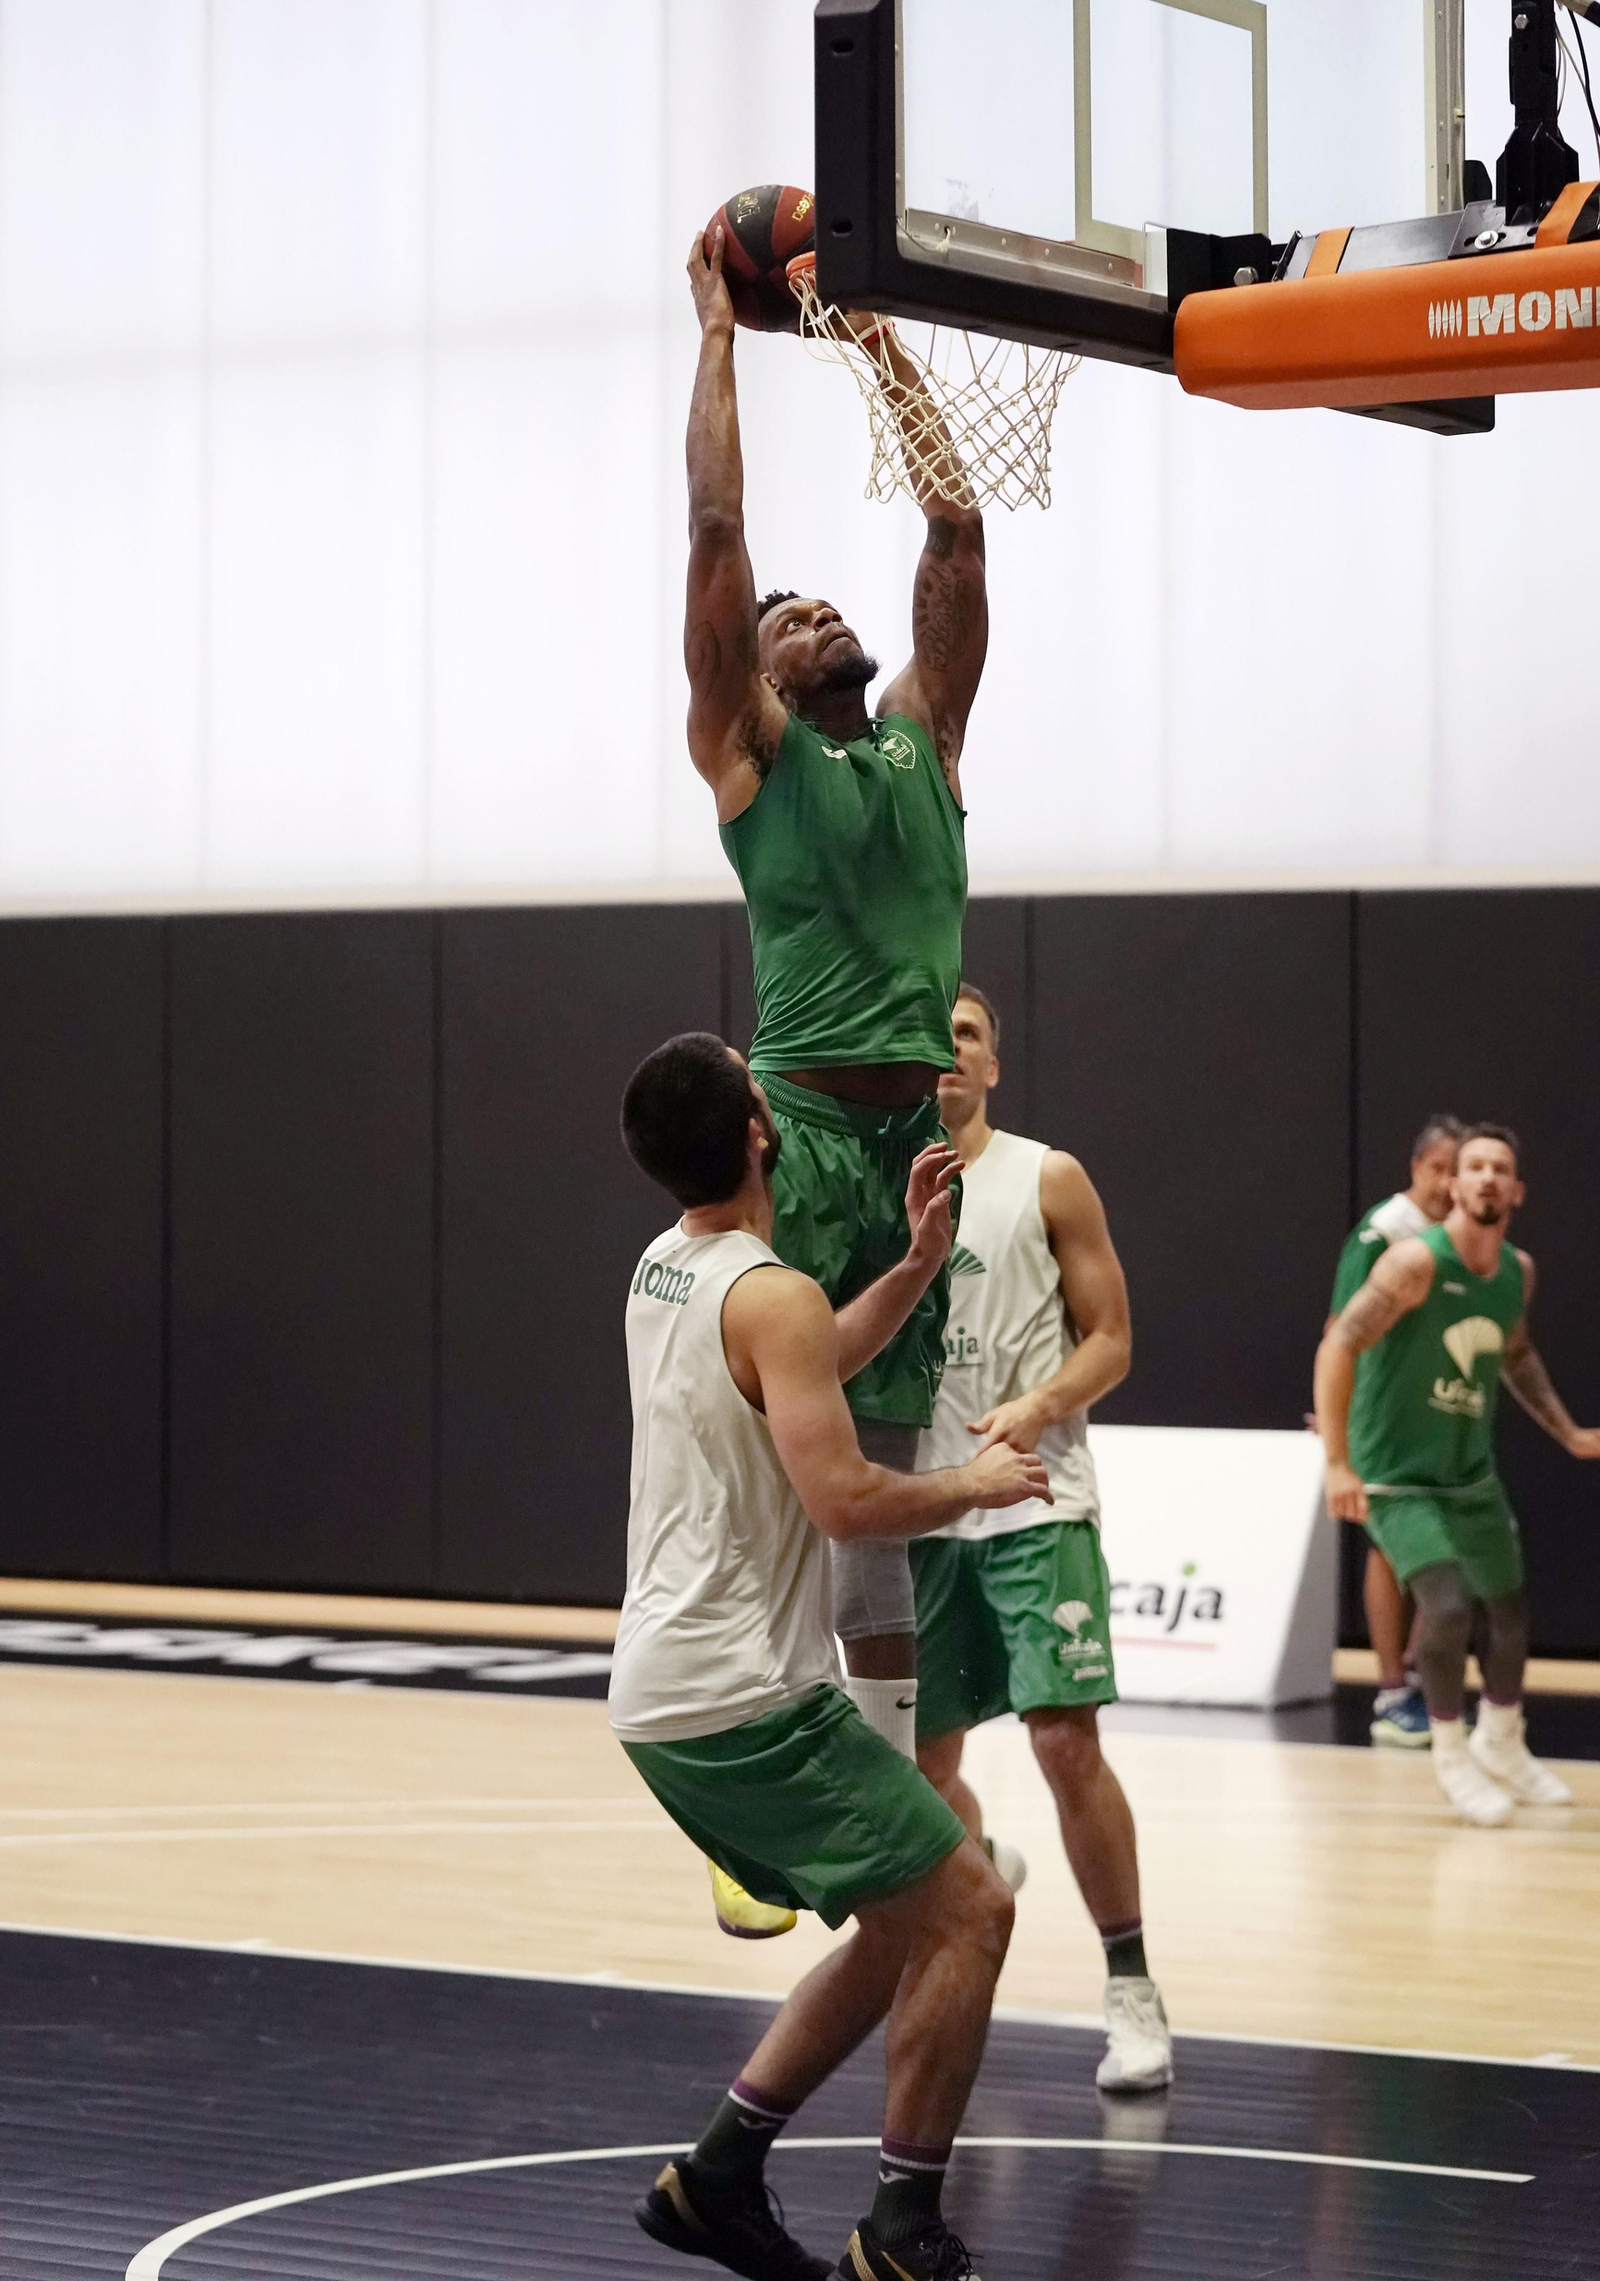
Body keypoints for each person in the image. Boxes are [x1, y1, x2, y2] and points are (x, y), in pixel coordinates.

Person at [613, 1033, 1053, 2281]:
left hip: (678, 1690)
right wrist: (972, 1480)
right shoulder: (770, 1290)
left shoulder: (672, 1265)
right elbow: (846, 1497)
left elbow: (798, 1372)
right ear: (765, 1129)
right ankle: (901, 2232)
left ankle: (716, 2179)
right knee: (974, 1906)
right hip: (735, 1696)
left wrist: (916, 1266)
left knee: (901, 1924)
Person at [681, 219, 986, 1795]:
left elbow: (955, 532)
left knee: (894, 1475)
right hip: (800, 1138)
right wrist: (723, 335)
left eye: (818, 612)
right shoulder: (755, 761)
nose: (814, 619)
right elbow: (720, 531)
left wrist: (879, 344)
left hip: (915, 1150)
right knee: (790, 1477)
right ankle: (745, 1749)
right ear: (760, 674)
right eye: (788, 621)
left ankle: (878, 1790)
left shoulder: (924, 743)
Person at [910, 985, 1173, 2095]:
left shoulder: (1044, 1174)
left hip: (1034, 1496)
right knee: (919, 1773)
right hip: (917, 1504)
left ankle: (1132, 1988)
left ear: (993, 1064)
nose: (948, 1055)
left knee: (1064, 1742)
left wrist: (1037, 1402)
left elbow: (1111, 1338)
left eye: (965, 1035)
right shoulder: (880, 1189)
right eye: (929, 1040)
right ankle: (976, 1867)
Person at [1314, 1125, 1600, 1827]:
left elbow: (1518, 1353)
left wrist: (1566, 1431)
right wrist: (1337, 1461)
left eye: (1500, 1168)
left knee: (1508, 1611)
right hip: (1397, 1472)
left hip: (1467, 1471)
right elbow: (1339, 1344)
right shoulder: (1411, 1263)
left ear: (1517, 1190)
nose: (1486, 1178)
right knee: (1444, 1605)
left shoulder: (1516, 1273)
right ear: (1452, 1184)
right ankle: (1449, 1752)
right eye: (1473, 1167)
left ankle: (1503, 1743)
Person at [1327, 1115, 1465, 1748]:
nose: (1448, 1181)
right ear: (1416, 1168)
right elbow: (1343, 1330)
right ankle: (1390, 1692)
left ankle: (1410, 1672)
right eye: (1439, 1167)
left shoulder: (1454, 1240)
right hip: (1378, 1420)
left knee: (1438, 1546)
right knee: (1388, 1547)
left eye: (1457, 1170)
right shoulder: (1387, 1233)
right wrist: (1341, 1426)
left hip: (1430, 1416)